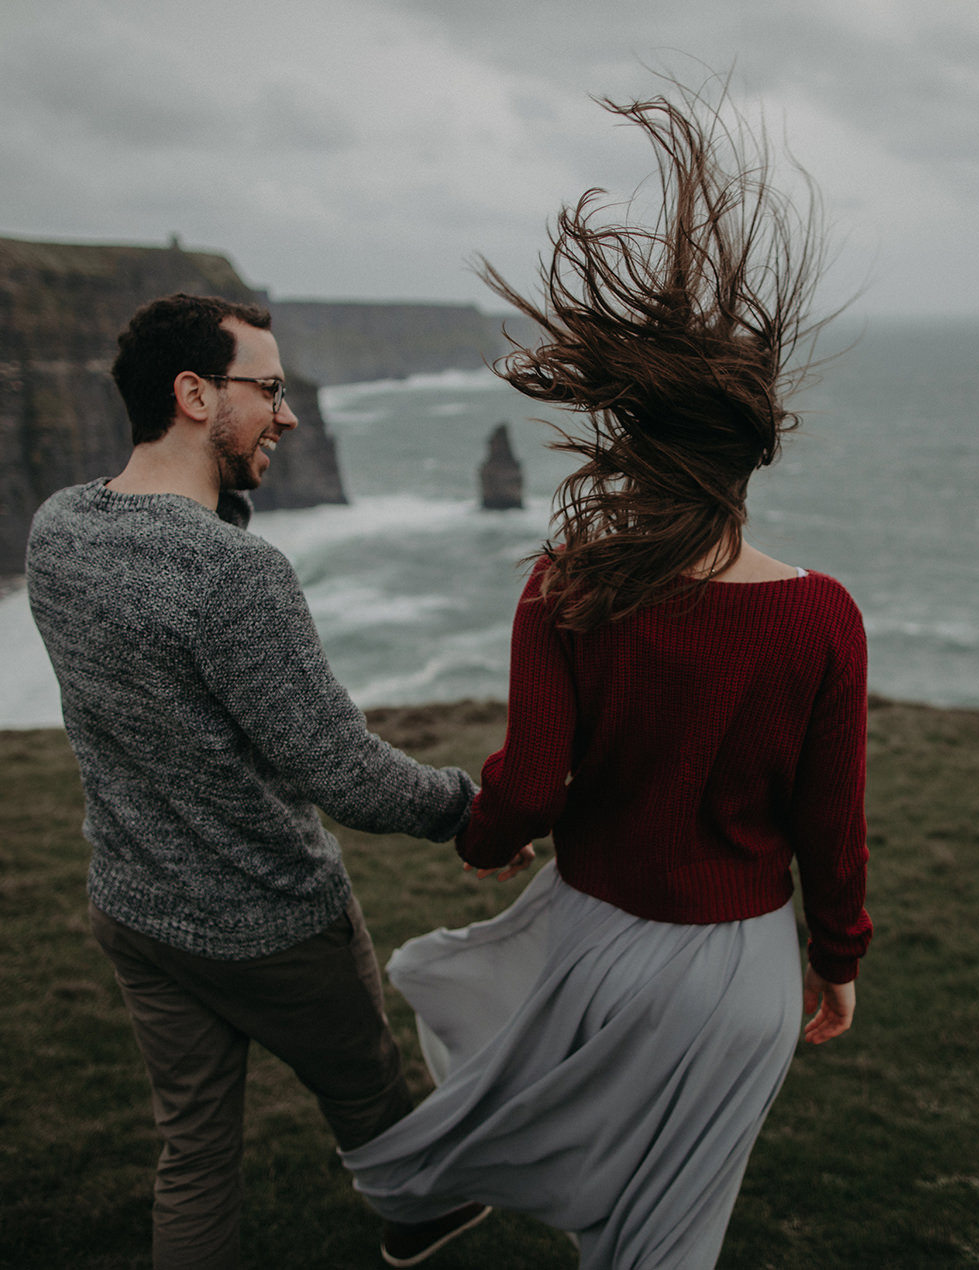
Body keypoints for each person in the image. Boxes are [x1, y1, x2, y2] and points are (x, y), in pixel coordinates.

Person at [342, 88, 872, 1270]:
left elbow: (528, 784)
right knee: (668, 1244)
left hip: (593, 947)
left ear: (631, 444)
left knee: (570, 1164)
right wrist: (835, 959)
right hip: (741, 971)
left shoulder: (568, 584)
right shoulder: (824, 615)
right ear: (752, 452)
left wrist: (487, 843)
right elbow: (831, 829)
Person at [26, 294, 490, 1270]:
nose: (287, 415)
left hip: (134, 906)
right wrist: (467, 807)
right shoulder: (234, 574)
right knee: (372, 1103)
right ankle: (420, 1219)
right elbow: (344, 772)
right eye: (269, 391)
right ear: (195, 393)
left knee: (192, 1155)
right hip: (272, 924)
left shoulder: (58, 529)